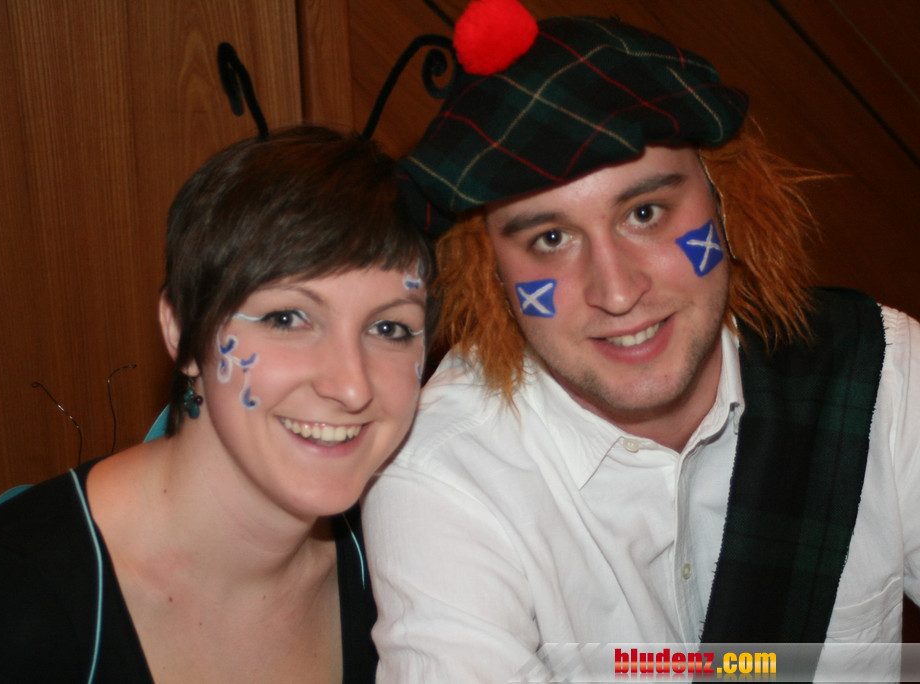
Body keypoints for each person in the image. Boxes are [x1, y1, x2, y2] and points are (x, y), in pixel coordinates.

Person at [362, 1, 919, 681]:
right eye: (551, 238)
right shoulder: (446, 476)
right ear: (490, 272)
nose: (617, 291)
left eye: (645, 212)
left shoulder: (879, 372)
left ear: (725, 200)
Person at [0, 125, 435, 682]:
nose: (352, 387)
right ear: (181, 330)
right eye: (286, 319)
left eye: (390, 328)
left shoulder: (406, 553)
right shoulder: (20, 598)